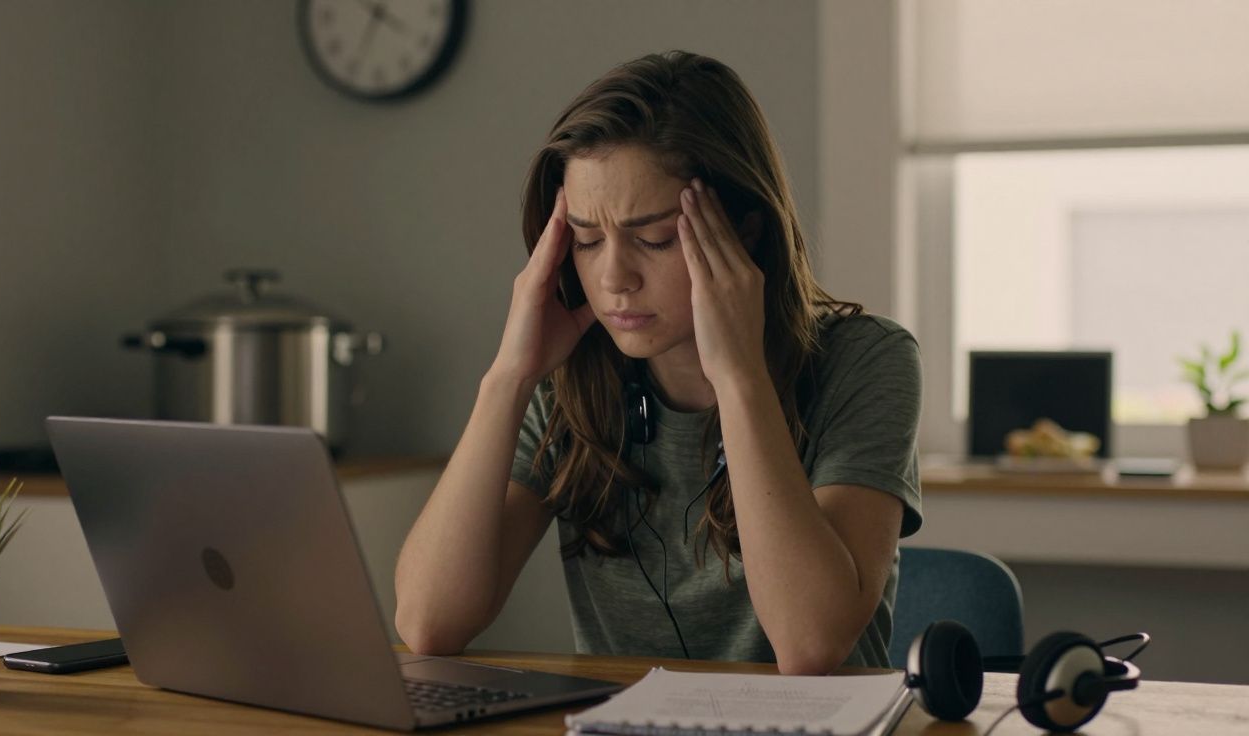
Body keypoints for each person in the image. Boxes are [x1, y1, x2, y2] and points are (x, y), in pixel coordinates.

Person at [394, 51, 921, 675]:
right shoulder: (570, 381)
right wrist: (508, 379)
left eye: (655, 239)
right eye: (587, 240)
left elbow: (810, 645)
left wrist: (739, 379)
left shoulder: (868, 360)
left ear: (746, 229)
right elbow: (428, 623)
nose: (613, 277)